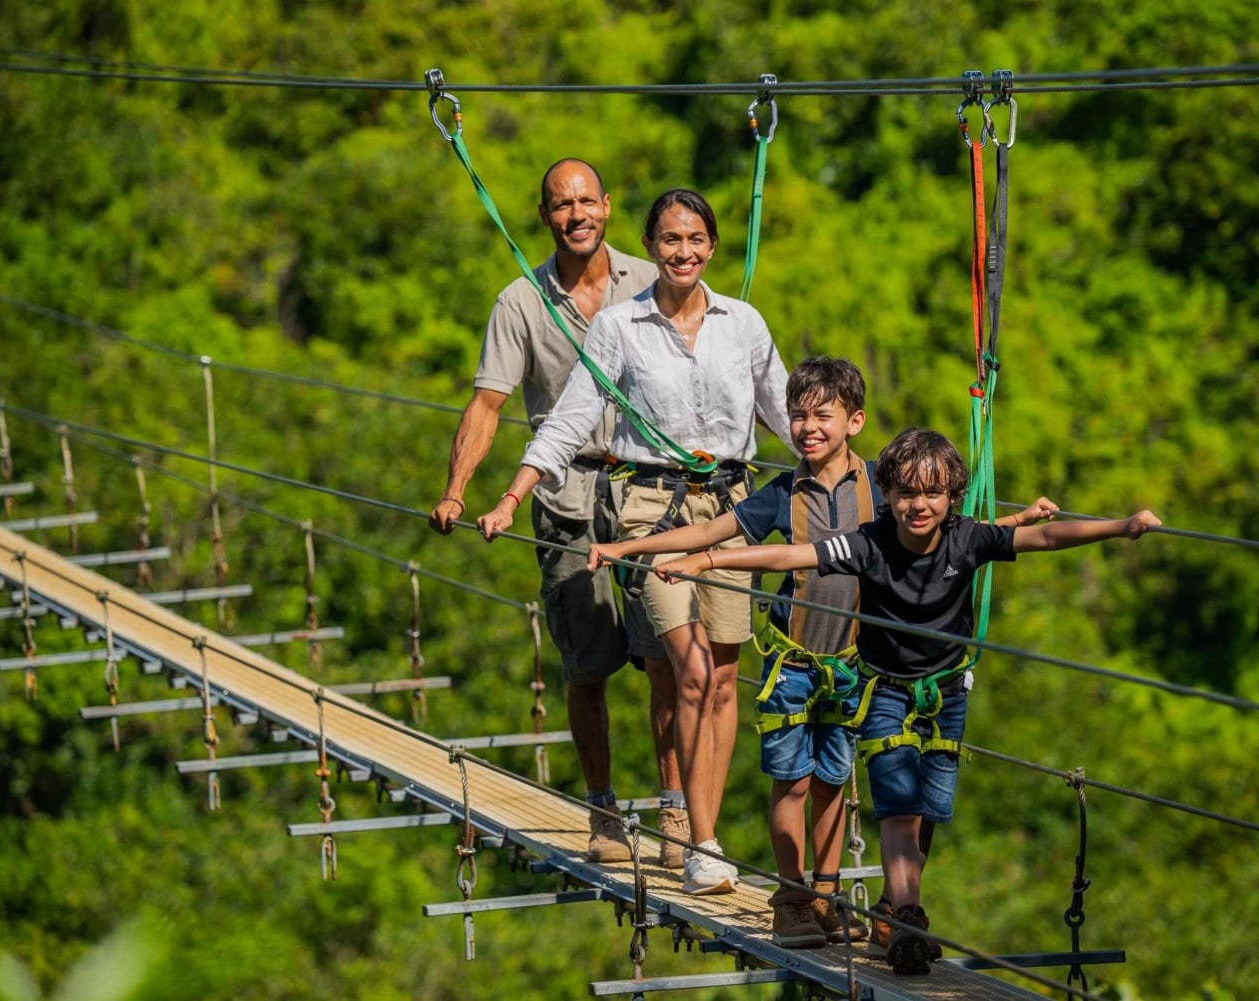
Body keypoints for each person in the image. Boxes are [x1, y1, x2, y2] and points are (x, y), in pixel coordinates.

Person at [653, 427, 1160, 972]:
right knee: (898, 808)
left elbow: (1045, 540)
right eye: (907, 494)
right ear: (888, 494)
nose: (919, 506)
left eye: (932, 495)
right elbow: (791, 555)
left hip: (946, 694)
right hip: (885, 692)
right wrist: (706, 563)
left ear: (951, 498)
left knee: (930, 813)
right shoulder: (869, 542)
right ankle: (909, 919)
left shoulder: (968, 538)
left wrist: (1121, 528)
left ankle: (894, 909)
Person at [594, 362, 1056, 947]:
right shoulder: (784, 495)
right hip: (794, 661)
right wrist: (630, 545)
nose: (807, 428)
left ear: (854, 422)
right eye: (798, 417)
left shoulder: (883, 490)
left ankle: (827, 892)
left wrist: (1013, 524)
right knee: (791, 779)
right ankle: (791, 895)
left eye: (822, 416)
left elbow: (941, 527)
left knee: (834, 781)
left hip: (853, 665)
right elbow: (712, 534)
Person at [477, 187, 792, 895]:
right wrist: (510, 494)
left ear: (712, 247)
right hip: (652, 510)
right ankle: (701, 839)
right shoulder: (620, 326)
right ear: (649, 247)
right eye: (670, 240)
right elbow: (569, 416)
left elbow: (787, 414)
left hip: (734, 508)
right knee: (687, 667)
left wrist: (853, 488)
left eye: (696, 240)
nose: (683, 252)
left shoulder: (743, 324)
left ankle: (694, 818)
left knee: (721, 678)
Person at [428, 158, 673, 866]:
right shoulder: (521, 302)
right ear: (545, 217)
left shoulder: (650, 279)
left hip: (650, 494)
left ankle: (675, 811)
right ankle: (603, 810)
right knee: (586, 662)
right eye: (562, 205)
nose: (576, 215)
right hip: (566, 495)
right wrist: (457, 489)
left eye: (586, 201)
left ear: (608, 206)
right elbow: (487, 404)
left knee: (667, 655)